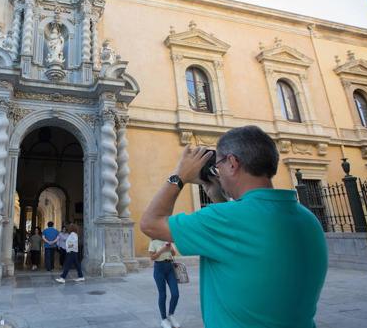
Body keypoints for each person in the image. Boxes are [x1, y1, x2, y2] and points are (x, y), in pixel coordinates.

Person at [140, 125, 328, 328]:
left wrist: (179, 175)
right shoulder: (308, 219)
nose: (217, 172)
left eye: (218, 165)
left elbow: (151, 224)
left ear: (232, 163)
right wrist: (217, 197)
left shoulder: (224, 219)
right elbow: (241, 243)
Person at [149, 239, 180, 328]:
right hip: (159, 268)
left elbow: (173, 254)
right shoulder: (153, 242)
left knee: (175, 294)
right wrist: (162, 250)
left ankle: (171, 315)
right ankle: (164, 319)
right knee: (163, 295)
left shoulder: (168, 240)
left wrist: (170, 248)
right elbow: (152, 257)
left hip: (170, 268)